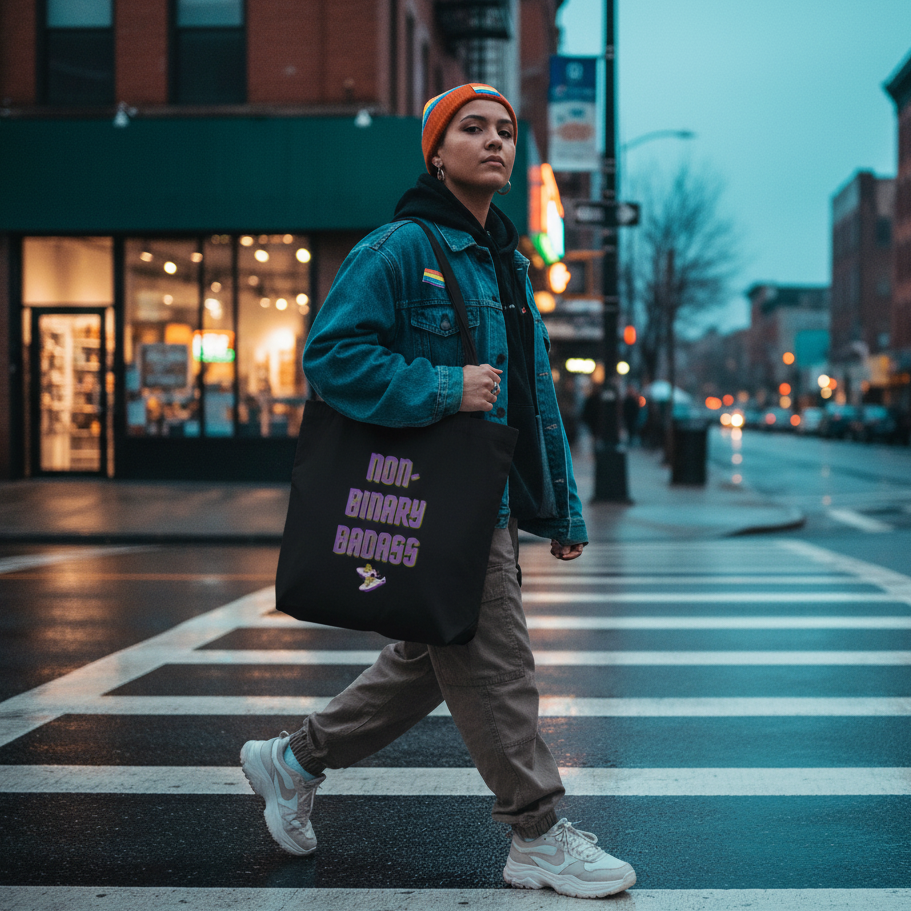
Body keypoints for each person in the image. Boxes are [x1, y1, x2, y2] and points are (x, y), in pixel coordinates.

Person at [240, 83, 636, 900]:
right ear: (435, 150)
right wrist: (443, 385)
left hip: (482, 497)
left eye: (505, 131)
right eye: (472, 128)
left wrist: (557, 505)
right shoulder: (397, 248)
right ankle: (535, 832)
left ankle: (292, 759)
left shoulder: (507, 259)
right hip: (435, 502)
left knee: (427, 660)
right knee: (497, 666)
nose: (495, 141)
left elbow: (527, 394)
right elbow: (331, 359)